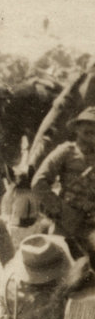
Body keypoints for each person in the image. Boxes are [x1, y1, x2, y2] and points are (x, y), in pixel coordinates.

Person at [31, 106, 95, 262]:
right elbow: (38, 183)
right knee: (54, 259)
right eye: (87, 124)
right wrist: (60, 209)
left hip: (91, 223)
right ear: (77, 128)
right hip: (66, 222)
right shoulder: (66, 151)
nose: (92, 129)